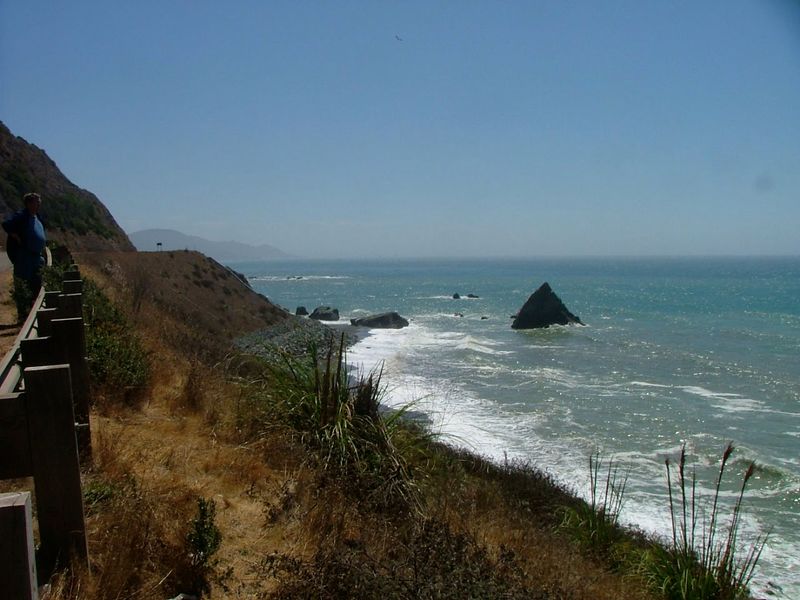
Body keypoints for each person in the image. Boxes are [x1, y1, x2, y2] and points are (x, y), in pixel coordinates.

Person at [3, 192, 46, 320]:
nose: (39, 204)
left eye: (39, 202)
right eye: (36, 202)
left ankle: (34, 313)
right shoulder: (22, 216)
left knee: (36, 284)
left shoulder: (36, 216)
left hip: (36, 257)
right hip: (24, 256)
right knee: (23, 283)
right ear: (29, 203)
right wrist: (16, 237)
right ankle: (23, 316)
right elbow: (7, 224)